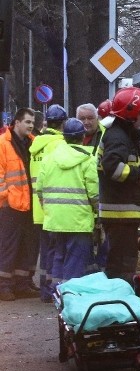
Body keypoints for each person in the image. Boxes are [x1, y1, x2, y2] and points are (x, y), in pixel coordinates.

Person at [98, 87, 140, 283]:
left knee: (122, 262)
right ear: (130, 112)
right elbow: (112, 167)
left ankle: (120, 300)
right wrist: (138, 175)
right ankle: (120, 301)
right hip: (119, 212)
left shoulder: (123, 134)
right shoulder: (118, 136)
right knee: (122, 265)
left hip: (122, 212)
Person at [36, 118, 98, 288]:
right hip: (78, 219)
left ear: (64, 137)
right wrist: (98, 213)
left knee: (58, 255)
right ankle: (70, 295)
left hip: (54, 219)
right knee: (76, 259)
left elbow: (39, 189)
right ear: (82, 136)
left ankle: (56, 291)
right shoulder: (88, 159)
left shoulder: (49, 158)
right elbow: (94, 193)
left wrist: (48, 209)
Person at [0, 108, 38, 301]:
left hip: (28, 204)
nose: (31, 125)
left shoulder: (32, 143)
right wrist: (5, 197)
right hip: (9, 206)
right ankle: (4, 286)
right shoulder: (3, 143)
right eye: (28, 122)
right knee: (8, 247)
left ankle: (22, 285)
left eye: (32, 122)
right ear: (16, 122)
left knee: (27, 246)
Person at [30, 104, 67, 301]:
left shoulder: (36, 144)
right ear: (63, 124)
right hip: (55, 206)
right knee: (56, 250)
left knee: (45, 251)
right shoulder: (59, 144)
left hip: (39, 207)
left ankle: (45, 287)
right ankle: (51, 290)